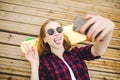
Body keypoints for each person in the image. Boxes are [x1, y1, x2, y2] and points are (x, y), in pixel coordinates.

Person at [21, 14, 114, 80]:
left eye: (59, 30)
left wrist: (108, 32)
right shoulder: (44, 63)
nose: (56, 34)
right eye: (51, 32)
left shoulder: (75, 53)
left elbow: (97, 52)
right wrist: (34, 64)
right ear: (45, 39)